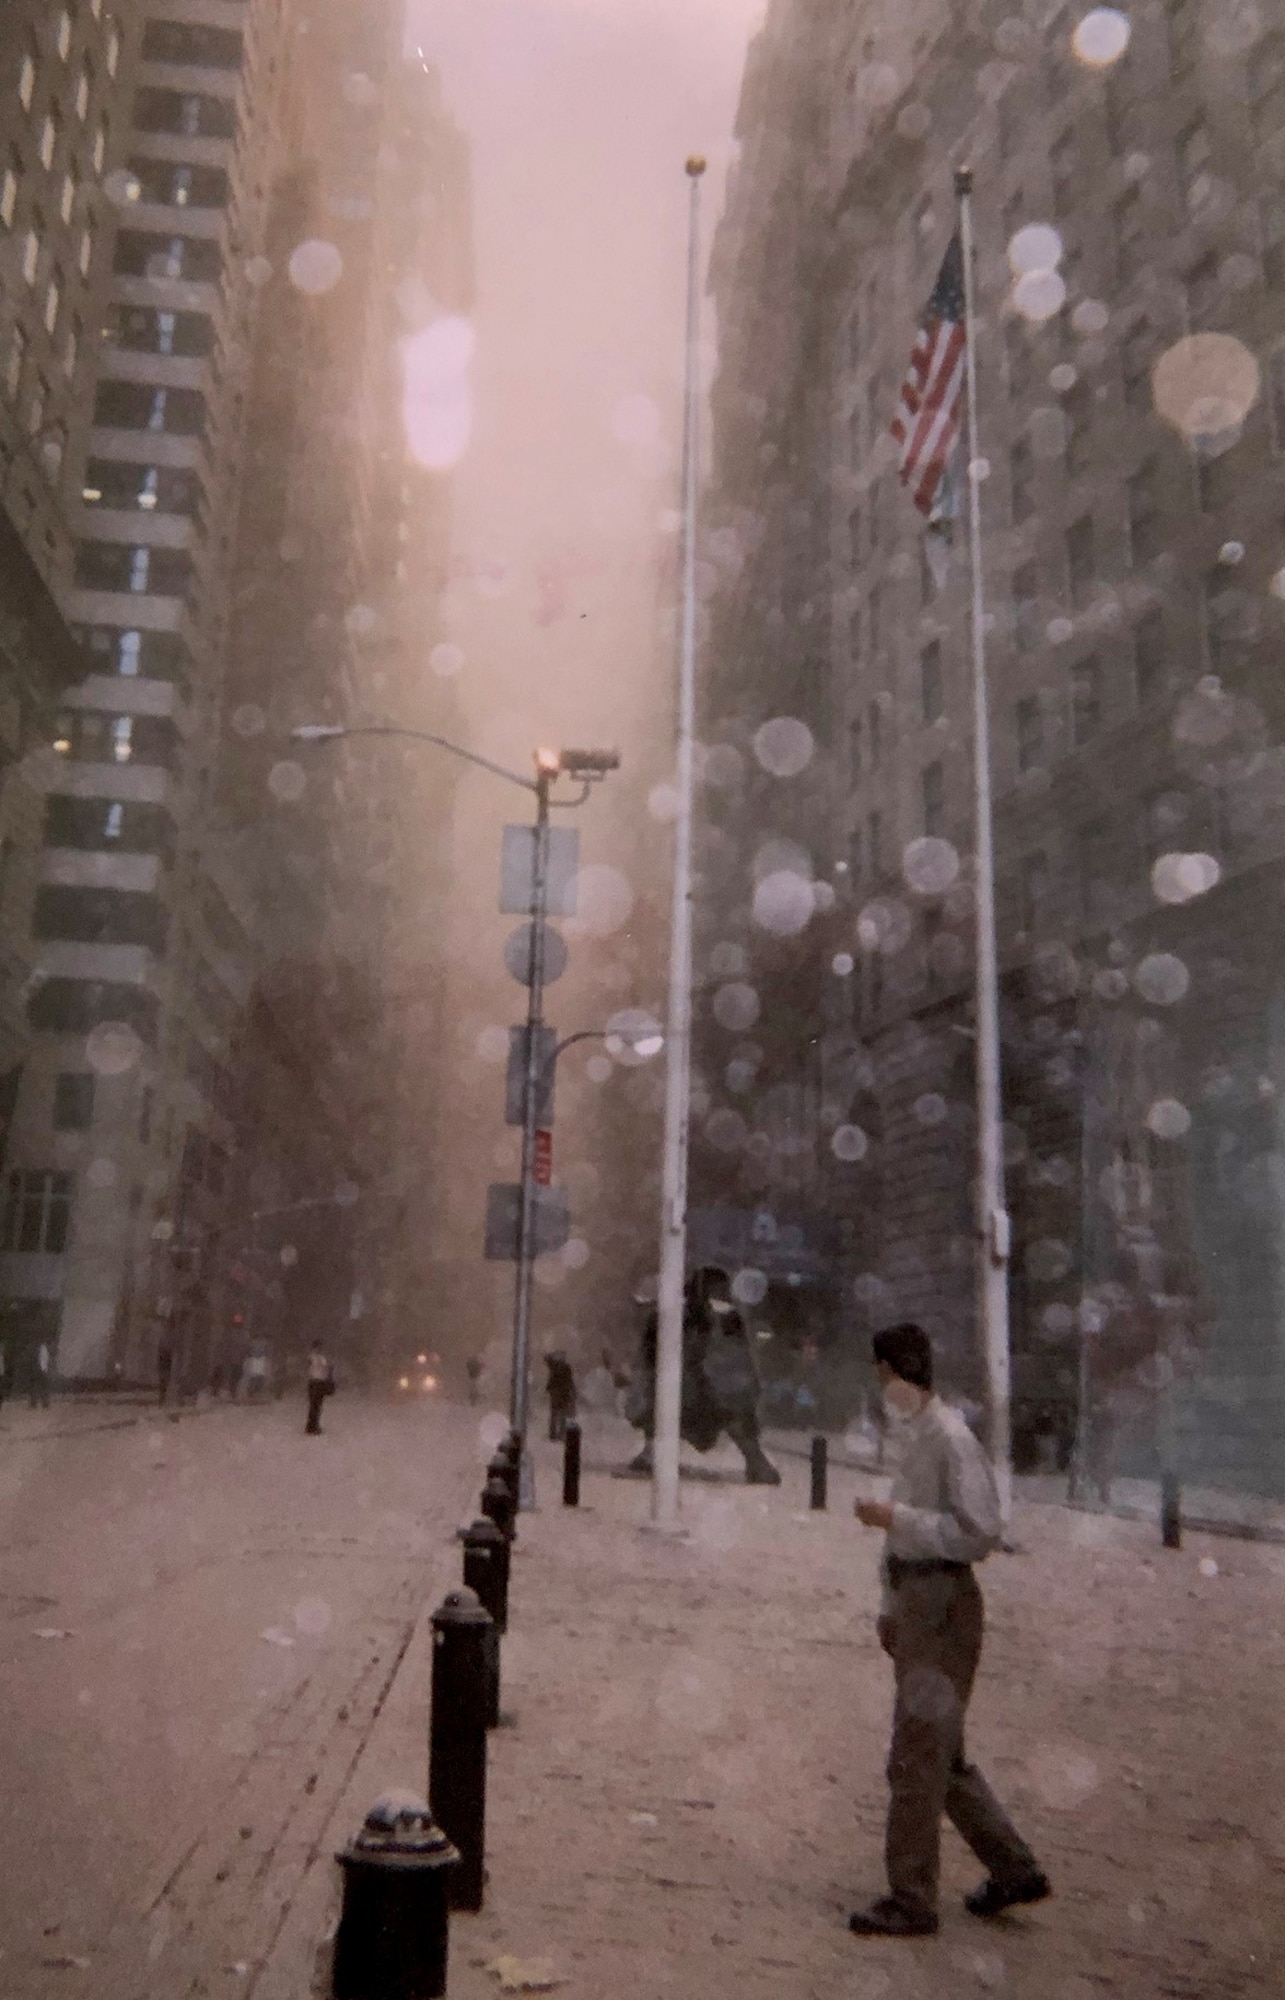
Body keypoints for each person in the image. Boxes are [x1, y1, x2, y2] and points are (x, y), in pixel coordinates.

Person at [848, 1323, 1049, 1939]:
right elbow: (903, 1542)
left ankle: (911, 1899)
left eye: (881, 1374)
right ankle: (1012, 1868)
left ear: (893, 1371)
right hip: (918, 1600)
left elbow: (980, 1531)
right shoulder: (916, 1435)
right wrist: (889, 1604)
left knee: (917, 1756)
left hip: (941, 1600)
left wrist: (896, 1518)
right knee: (942, 1752)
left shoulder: (950, 1438)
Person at [627, 1268, 780, 1485]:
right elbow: (648, 1362)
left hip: (709, 1393)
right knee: (659, 1405)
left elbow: (741, 1363)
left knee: (736, 1411)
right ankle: (653, 1450)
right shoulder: (669, 1318)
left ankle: (755, 1460)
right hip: (682, 1391)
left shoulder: (725, 1320)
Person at [544, 1350, 577, 1441]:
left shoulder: (554, 1366)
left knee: (555, 1413)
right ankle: (560, 1433)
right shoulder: (565, 1367)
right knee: (561, 1414)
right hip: (563, 1393)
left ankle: (554, 1433)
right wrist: (572, 1391)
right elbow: (570, 1381)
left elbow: (547, 1359)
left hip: (556, 1392)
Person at [305, 1342, 333, 1435]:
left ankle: (313, 1425)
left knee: (316, 1406)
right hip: (315, 1382)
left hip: (318, 1383)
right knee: (315, 1405)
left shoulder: (320, 1358)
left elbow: (326, 1369)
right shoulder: (313, 1358)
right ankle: (312, 1426)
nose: (319, 1349)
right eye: (318, 1347)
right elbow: (322, 1369)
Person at [30, 1340, 52, 1410]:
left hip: (40, 1370)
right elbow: (46, 1359)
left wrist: (44, 1369)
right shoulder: (43, 1348)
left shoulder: (39, 1349)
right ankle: (43, 1403)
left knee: (37, 1387)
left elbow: (44, 1360)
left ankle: (37, 1403)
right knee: (41, 1387)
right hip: (41, 1370)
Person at [157, 1341, 173, 1407]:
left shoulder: (162, 1358)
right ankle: (162, 1401)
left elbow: (160, 1365)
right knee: (163, 1388)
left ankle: (162, 1401)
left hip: (164, 1373)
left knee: (163, 1388)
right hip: (165, 1373)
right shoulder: (167, 1358)